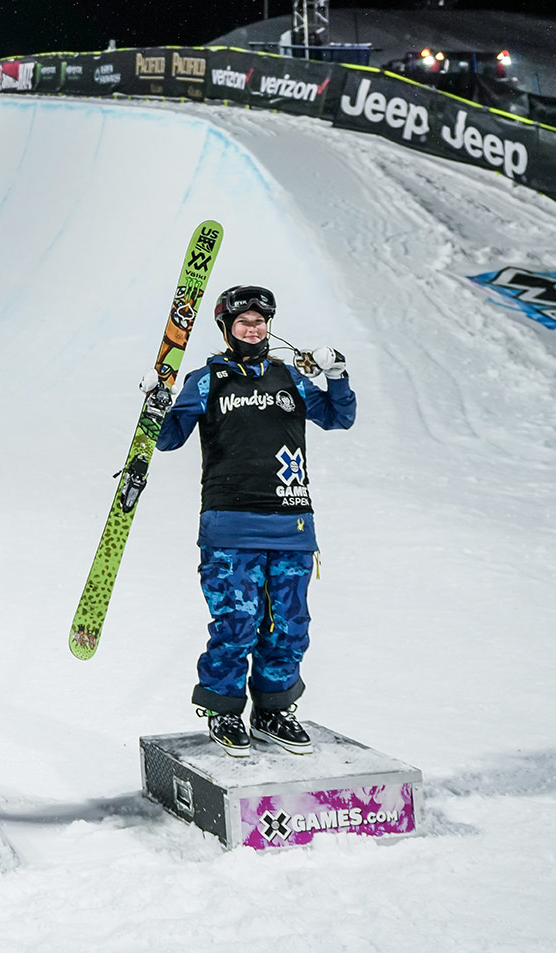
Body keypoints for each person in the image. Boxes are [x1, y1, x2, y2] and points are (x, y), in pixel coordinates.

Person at [150, 285, 355, 757]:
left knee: (288, 624)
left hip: (292, 525)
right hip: (230, 524)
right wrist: (156, 402)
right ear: (226, 328)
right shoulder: (207, 380)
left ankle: (273, 709)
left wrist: (338, 374)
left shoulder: (290, 377)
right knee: (237, 622)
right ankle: (223, 709)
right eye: (244, 322)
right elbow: (167, 440)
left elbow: (339, 418)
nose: (254, 329)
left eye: (261, 322)